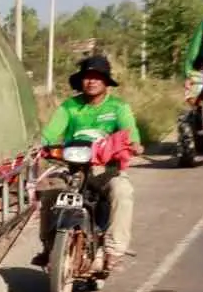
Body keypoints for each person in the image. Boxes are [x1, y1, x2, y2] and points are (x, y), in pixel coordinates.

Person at [35, 55, 143, 272]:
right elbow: (49, 134)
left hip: (106, 169)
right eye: (87, 77)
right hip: (72, 168)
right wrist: (39, 145)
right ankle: (49, 247)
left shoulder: (118, 107)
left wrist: (133, 145)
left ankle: (114, 250)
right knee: (49, 193)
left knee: (122, 192)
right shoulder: (69, 107)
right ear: (81, 81)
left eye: (97, 77)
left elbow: (130, 135)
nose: (91, 81)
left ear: (105, 82)